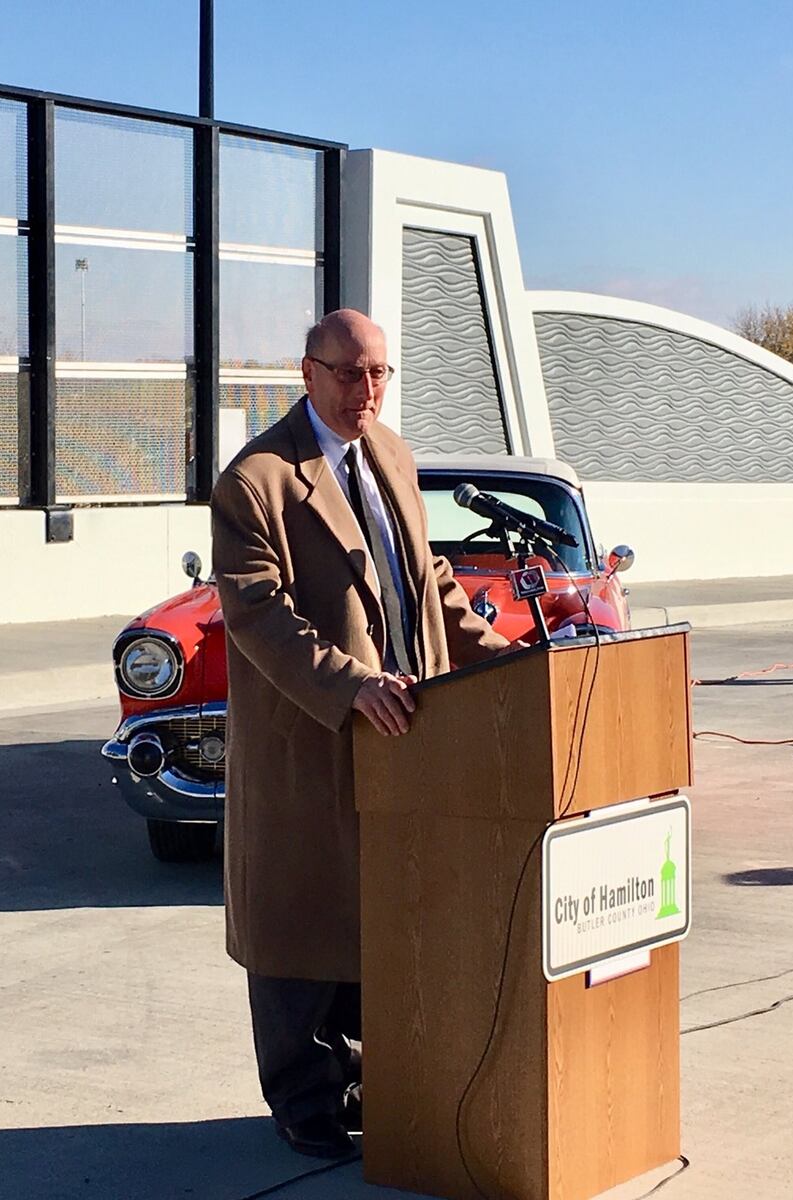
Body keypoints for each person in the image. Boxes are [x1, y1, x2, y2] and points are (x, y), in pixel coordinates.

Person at [210, 309, 515, 1158]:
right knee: (300, 926)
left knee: (375, 922)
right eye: (348, 373)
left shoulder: (393, 454)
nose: (366, 391)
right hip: (311, 742)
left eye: (379, 373)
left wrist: (505, 657)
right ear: (306, 372)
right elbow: (256, 613)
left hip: (404, 737)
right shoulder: (257, 480)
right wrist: (352, 685)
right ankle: (303, 1100)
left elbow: (428, 577)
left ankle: (363, 1082)